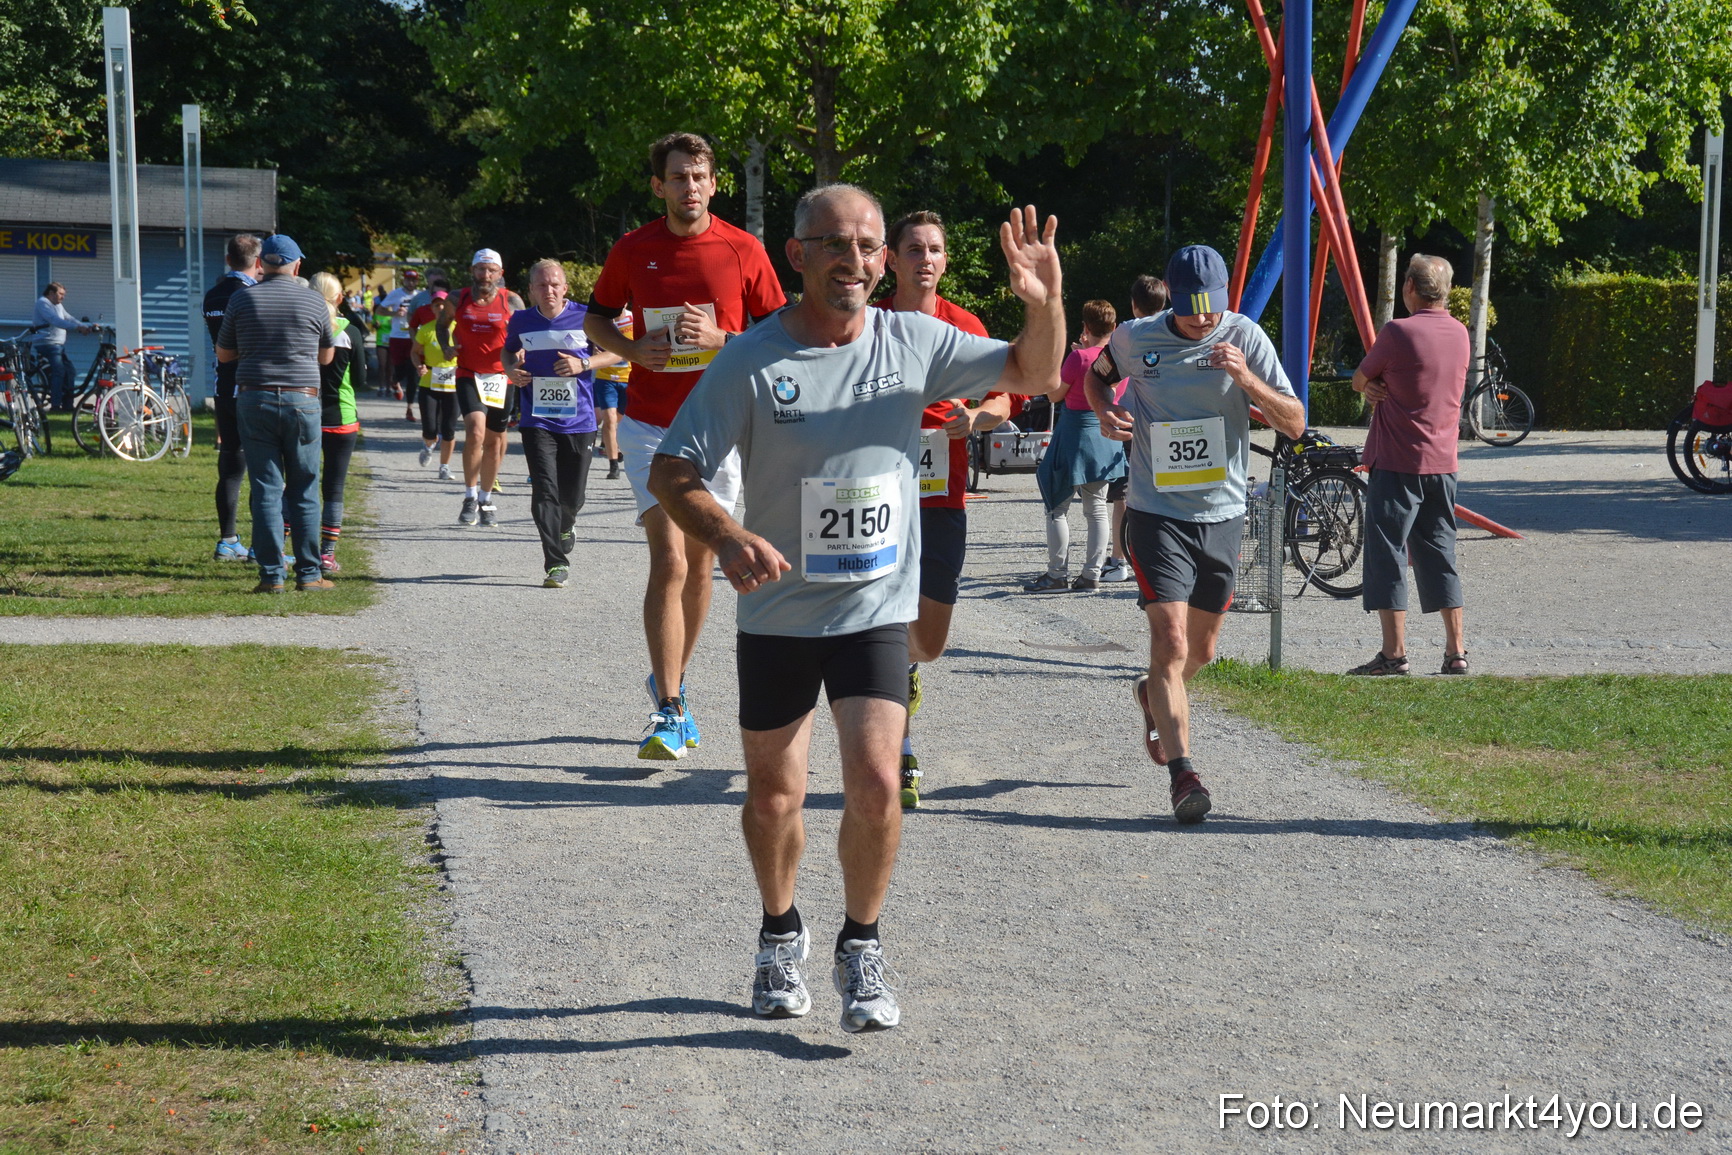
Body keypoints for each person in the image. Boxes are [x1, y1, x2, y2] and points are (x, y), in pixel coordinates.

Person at [648, 189, 1064, 1033]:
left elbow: (1035, 372)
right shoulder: (753, 360)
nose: (857, 259)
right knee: (774, 795)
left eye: (869, 245)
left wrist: (1044, 302)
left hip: (875, 606)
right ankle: (779, 930)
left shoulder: (915, 340)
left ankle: (862, 945)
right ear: (796, 255)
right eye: (835, 244)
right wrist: (727, 537)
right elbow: (673, 469)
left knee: (877, 781)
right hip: (779, 611)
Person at [584, 132, 787, 761]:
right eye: (678, 177)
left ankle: (673, 679)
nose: (689, 187)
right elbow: (595, 317)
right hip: (649, 428)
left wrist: (725, 339)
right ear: (659, 186)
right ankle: (668, 708)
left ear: (714, 183)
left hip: (720, 428)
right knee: (669, 558)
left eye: (699, 176)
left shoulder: (743, 248)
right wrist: (629, 350)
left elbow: (780, 332)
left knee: (704, 564)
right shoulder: (633, 248)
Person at [1089, 244, 1304, 823]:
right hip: (1157, 512)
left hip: (1224, 513)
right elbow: (1095, 377)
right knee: (1173, 644)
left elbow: (1296, 420)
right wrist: (1105, 412)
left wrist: (1247, 381)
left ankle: (1153, 694)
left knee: (1202, 651)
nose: (1203, 321)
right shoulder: (1136, 338)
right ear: (1171, 301)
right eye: (1191, 312)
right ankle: (1185, 777)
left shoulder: (1245, 337)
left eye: (1211, 310)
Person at [873, 209, 1012, 808]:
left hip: (940, 499)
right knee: (879, 627)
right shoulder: (870, 322)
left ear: (945, 261)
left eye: (934, 249)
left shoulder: (964, 324)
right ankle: (898, 755)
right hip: (874, 496)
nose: (924, 259)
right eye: (913, 249)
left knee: (927, 641)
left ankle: (908, 667)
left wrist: (976, 419)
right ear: (891, 260)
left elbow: (1007, 394)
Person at [1348, 254, 1472, 676]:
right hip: (1444, 462)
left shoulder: (1397, 331)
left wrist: (1374, 387)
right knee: (1440, 551)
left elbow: (1360, 378)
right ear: (1448, 290)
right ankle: (1456, 651)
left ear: (1409, 288)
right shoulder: (1460, 334)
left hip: (1399, 460)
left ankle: (1394, 654)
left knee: (1388, 553)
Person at [214, 233, 336, 593]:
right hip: (302, 399)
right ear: (297, 265)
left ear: (262, 264)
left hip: (254, 398)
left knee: (266, 487)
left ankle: (271, 576)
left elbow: (224, 355)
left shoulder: (242, 299)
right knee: (304, 487)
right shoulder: (314, 302)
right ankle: (310, 574)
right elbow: (326, 357)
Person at [503, 259, 625, 586]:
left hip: (580, 421)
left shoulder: (587, 317)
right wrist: (510, 370)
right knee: (545, 490)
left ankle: (567, 522)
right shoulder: (521, 321)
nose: (549, 291)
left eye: (555, 284)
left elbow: (615, 353)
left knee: (572, 498)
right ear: (531, 290)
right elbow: (508, 352)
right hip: (536, 420)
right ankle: (555, 563)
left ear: (565, 287)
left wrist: (583, 363)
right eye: (542, 285)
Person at [445, 249, 515, 527]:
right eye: (480, 269)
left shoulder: (510, 300)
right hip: (468, 373)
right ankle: (470, 495)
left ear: (500, 273)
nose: (485, 275)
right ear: (472, 270)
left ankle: (486, 498)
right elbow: (442, 326)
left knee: (495, 441)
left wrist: (521, 353)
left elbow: (523, 332)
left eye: (491, 270)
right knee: (475, 431)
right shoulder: (457, 298)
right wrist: (445, 345)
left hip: (500, 378)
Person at [204, 234, 263, 562]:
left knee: (229, 465)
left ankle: (228, 540)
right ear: (257, 262)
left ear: (228, 260)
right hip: (251, 388)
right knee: (263, 468)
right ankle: (260, 545)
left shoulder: (212, 295)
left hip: (223, 388)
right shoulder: (252, 295)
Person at [311, 273, 367, 574]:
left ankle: (283, 548)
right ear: (340, 299)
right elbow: (360, 379)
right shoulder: (350, 332)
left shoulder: (304, 326)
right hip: (342, 418)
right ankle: (327, 555)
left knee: (299, 483)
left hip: (306, 414)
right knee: (334, 488)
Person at [410, 289, 459, 480]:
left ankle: (444, 467)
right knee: (430, 428)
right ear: (431, 308)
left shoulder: (459, 327)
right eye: (436, 305)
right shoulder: (426, 329)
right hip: (429, 383)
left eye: (443, 304)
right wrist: (419, 366)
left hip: (454, 384)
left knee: (449, 428)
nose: (440, 308)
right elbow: (414, 352)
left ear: (450, 307)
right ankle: (428, 445)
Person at [30, 282, 92, 410]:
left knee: (70, 372)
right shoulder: (43, 303)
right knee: (59, 372)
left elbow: (68, 318)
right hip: (47, 343)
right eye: (60, 294)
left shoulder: (58, 305)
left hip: (57, 345)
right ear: (51, 293)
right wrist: (77, 328)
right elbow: (55, 320)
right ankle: (56, 405)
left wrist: (85, 326)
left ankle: (68, 405)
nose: (63, 297)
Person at [592, 313, 632, 479]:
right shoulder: (599, 320)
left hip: (629, 378)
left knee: (619, 421)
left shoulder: (634, 319)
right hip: (605, 378)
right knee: (609, 420)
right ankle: (613, 465)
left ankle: (618, 448)